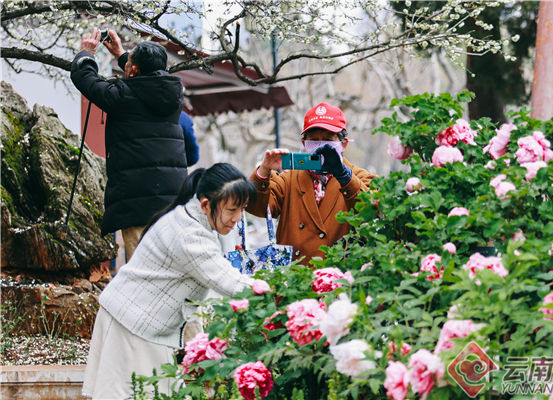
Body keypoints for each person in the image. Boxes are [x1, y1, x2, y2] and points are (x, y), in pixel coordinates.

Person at [82, 163, 256, 399]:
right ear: (206, 204)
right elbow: (230, 283)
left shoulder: (189, 218)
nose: (237, 218)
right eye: (233, 209)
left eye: (242, 209)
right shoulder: (190, 236)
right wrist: (278, 291)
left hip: (138, 322)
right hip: (131, 326)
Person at [70, 29, 187, 261]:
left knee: (142, 274)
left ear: (133, 70)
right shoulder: (174, 95)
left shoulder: (122, 96)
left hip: (138, 204)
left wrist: (86, 52)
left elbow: (86, 79)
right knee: (170, 269)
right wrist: (121, 54)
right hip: (173, 202)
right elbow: (147, 80)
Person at [246, 102, 376, 264]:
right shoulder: (288, 178)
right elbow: (256, 207)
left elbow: (372, 212)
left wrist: (343, 175)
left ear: (343, 144)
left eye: (328, 139)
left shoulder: (360, 177)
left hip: (340, 280)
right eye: (314, 140)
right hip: (295, 281)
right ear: (304, 144)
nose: (320, 145)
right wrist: (264, 170)